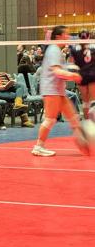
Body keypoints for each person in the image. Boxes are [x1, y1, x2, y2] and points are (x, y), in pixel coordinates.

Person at [32, 26, 88, 157]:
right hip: (51, 89)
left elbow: (60, 70)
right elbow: (57, 72)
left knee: (73, 118)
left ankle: (84, 144)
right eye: (66, 34)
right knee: (50, 119)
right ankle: (38, 147)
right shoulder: (53, 50)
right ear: (58, 37)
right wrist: (73, 75)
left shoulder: (57, 50)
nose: (68, 37)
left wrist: (71, 69)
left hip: (59, 90)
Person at [0, 58, 34, 128]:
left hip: (2, 89)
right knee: (19, 96)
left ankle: (18, 104)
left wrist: (6, 85)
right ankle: (24, 119)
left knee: (20, 86)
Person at [69, 30, 95, 119]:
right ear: (88, 36)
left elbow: (71, 63)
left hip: (81, 75)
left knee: (85, 101)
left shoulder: (74, 48)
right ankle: (92, 123)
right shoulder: (94, 46)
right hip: (93, 75)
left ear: (79, 37)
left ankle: (87, 121)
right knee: (92, 100)